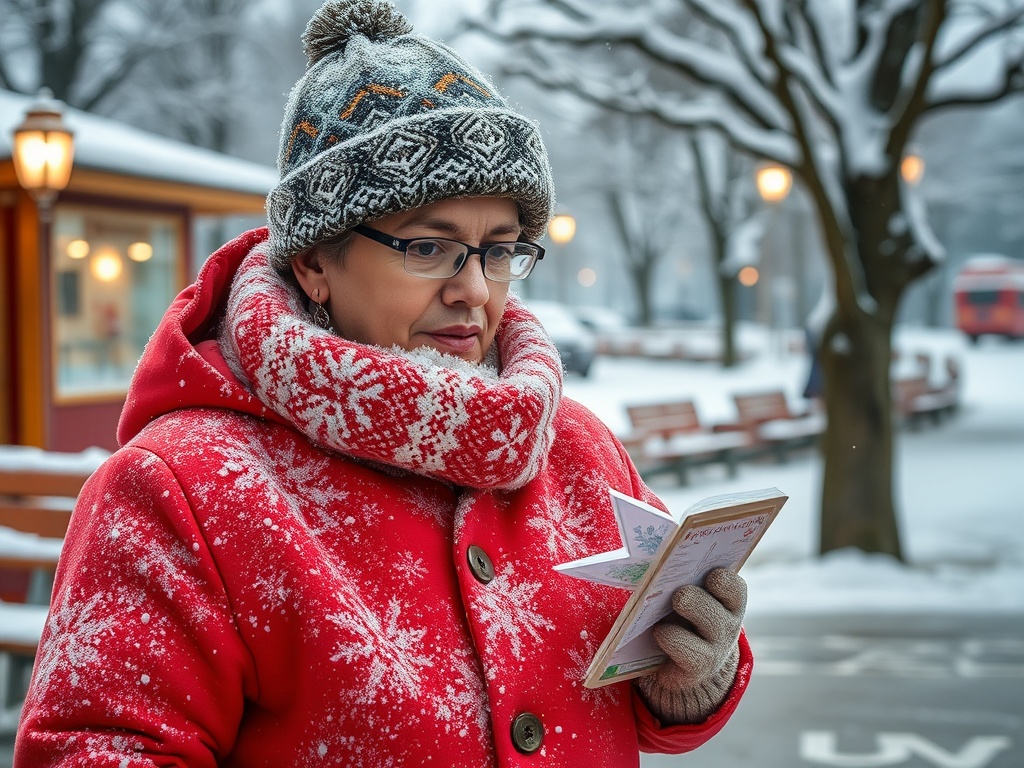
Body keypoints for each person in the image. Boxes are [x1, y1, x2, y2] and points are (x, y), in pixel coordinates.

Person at [14, 1, 752, 765]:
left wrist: (688, 677)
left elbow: (644, 709)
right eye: (430, 247)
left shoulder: (579, 449)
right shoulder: (182, 491)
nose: (475, 290)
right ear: (314, 263)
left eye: (499, 251)